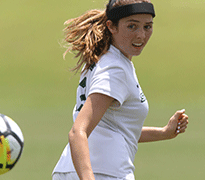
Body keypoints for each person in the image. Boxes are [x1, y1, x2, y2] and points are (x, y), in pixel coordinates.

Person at [52, 0, 189, 179]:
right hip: (104, 173)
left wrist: (164, 132)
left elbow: (116, 128)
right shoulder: (115, 69)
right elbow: (78, 131)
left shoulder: (102, 60)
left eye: (147, 26)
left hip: (68, 169)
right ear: (111, 26)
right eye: (132, 26)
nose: (141, 35)